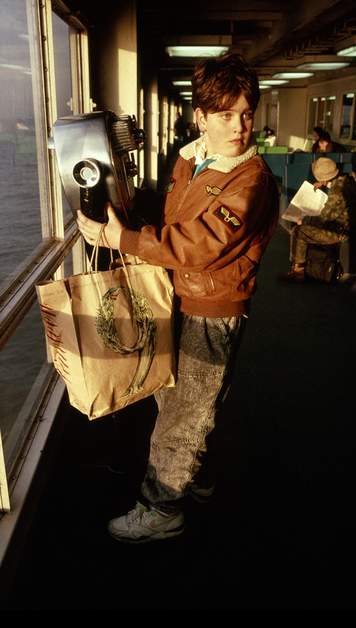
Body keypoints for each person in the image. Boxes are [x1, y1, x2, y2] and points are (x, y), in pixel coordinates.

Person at [76, 53, 279, 543]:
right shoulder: (191, 160)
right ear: (202, 118)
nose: (240, 126)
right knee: (182, 400)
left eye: (247, 113)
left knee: (184, 411)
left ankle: (162, 508)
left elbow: (197, 246)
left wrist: (121, 240)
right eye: (227, 115)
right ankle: (194, 477)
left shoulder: (250, 182)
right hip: (180, 296)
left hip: (211, 310)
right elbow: (175, 221)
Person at [281, 157, 354, 281]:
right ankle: (299, 266)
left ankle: (298, 271)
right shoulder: (346, 180)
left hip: (338, 232)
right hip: (339, 225)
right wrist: (325, 183)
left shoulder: (337, 192)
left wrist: (303, 219)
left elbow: (325, 218)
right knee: (304, 226)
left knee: (298, 231)